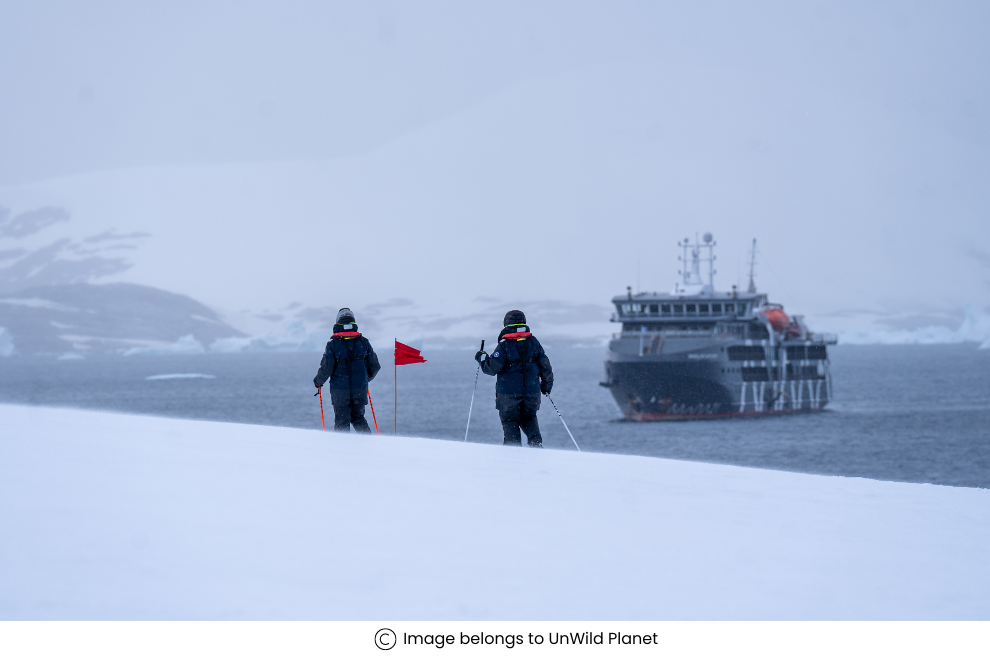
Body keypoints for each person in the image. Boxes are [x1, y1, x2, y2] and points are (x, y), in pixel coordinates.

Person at [476, 310, 554, 447]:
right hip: (532, 392)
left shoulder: (505, 345)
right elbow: (546, 366)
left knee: (510, 421)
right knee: (529, 418)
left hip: (508, 394)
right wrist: (546, 386)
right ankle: (537, 446)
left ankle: (513, 455)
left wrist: (482, 358)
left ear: (506, 324)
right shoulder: (534, 342)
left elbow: (491, 368)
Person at [314, 308, 381, 433]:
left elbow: (326, 368)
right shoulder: (363, 342)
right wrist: (365, 379)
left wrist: (318, 381)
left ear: (338, 322)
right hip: (360, 388)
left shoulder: (333, 344)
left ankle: (341, 450)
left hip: (340, 390)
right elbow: (375, 366)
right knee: (358, 418)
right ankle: (369, 446)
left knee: (341, 421)